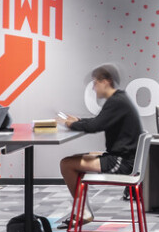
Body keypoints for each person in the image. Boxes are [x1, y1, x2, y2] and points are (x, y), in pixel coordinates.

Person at [58, 65, 140, 222]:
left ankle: (83, 212)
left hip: (122, 162)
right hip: (124, 157)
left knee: (66, 164)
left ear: (106, 82)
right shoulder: (119, 99)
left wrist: (70, 124)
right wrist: (79, 121)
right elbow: (99, 121)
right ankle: (83, 209)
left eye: (95, 83)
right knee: (76, 158)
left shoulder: (116, 102)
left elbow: (95, 126)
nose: (94, 89)